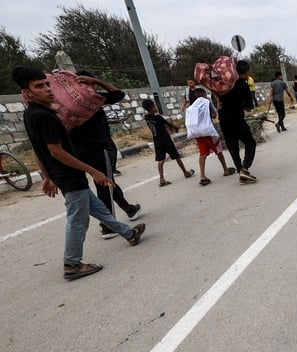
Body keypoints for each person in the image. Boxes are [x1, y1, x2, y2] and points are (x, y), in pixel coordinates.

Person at [12, 66, 145, 280]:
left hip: (63, 175)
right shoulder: (46, 117)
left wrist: (46, 176)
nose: (47, 89)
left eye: (47, 84)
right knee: (78, 219)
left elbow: (40, 149)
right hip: (69, 176)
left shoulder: (32, 114)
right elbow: (56, 152)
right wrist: (93, 172)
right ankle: (72, 264)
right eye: (39, 86)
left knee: (98, 209)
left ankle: (129, 234)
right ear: (27, 93)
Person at [69, 72, 142, 239]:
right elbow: (118, 94)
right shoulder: (91, 100)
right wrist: (96, 81)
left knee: (107, 181)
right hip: (97, 148)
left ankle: (129, 208)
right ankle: (108, 226)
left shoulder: (68, 105)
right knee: (105, 185)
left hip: (77, 152)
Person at [218, 60, 258, 184]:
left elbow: (219, 101)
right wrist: (240, 105)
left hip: (224, 122)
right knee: (250, 143)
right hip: (237, 121)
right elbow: (249, 107)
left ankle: (240, 172)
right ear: (246, 72)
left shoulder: (225, 85)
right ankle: (244, 168)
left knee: (233, 147)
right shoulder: (243, 85)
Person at [185, 88, 236, 185]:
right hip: (208, 132)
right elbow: (214, 115)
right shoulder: (206, 103)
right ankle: (225, 170)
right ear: (203, 95)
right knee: (218, 150)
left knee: (203, 153)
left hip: (197, 133)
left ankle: (202, 176)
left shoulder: (192, 107)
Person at [142, 99, 195, 186]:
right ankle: (186, 173)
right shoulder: (158, 117)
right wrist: (175, 127)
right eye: (154, 106)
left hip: (157, 141)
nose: (155, 107)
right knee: (176, 157)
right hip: (166, 140)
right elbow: (169, 124)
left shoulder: (147, 118)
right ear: (151, 108)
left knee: (161, 160)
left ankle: (162, 179)